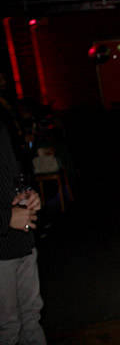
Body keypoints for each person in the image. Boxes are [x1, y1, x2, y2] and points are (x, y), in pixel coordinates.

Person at [0, 121, 46, 345]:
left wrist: (27, 193)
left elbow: (12, 175)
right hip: (3, 250)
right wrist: (6, 218)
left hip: (22, 240)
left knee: (30, 319)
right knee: (8, 328)